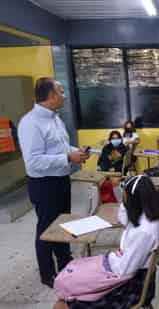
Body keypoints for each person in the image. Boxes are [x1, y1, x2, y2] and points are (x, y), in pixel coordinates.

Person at [18, 77, 90, 288]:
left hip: (60, 180)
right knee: (47, 229)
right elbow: (34, 161)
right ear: (51, 96)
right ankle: (47, 273)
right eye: (61, 91)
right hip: (44, 185)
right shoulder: (31, 123)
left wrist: (74, 152)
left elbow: (62, 146)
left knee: (63, 223)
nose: (64, 96)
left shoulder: (55, 119)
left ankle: (65, 263)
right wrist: (68, 158)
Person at [53, 175, 159, 309]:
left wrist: (104, 265)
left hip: (131, 284)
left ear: (133, 200)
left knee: (63, 301)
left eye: (124, 197)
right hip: (125, 271)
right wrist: (126, 199)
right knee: (74, 277)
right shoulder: (144, 215)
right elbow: (123, 219)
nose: (123, 200)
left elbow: (125, 270)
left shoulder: (144, 232)